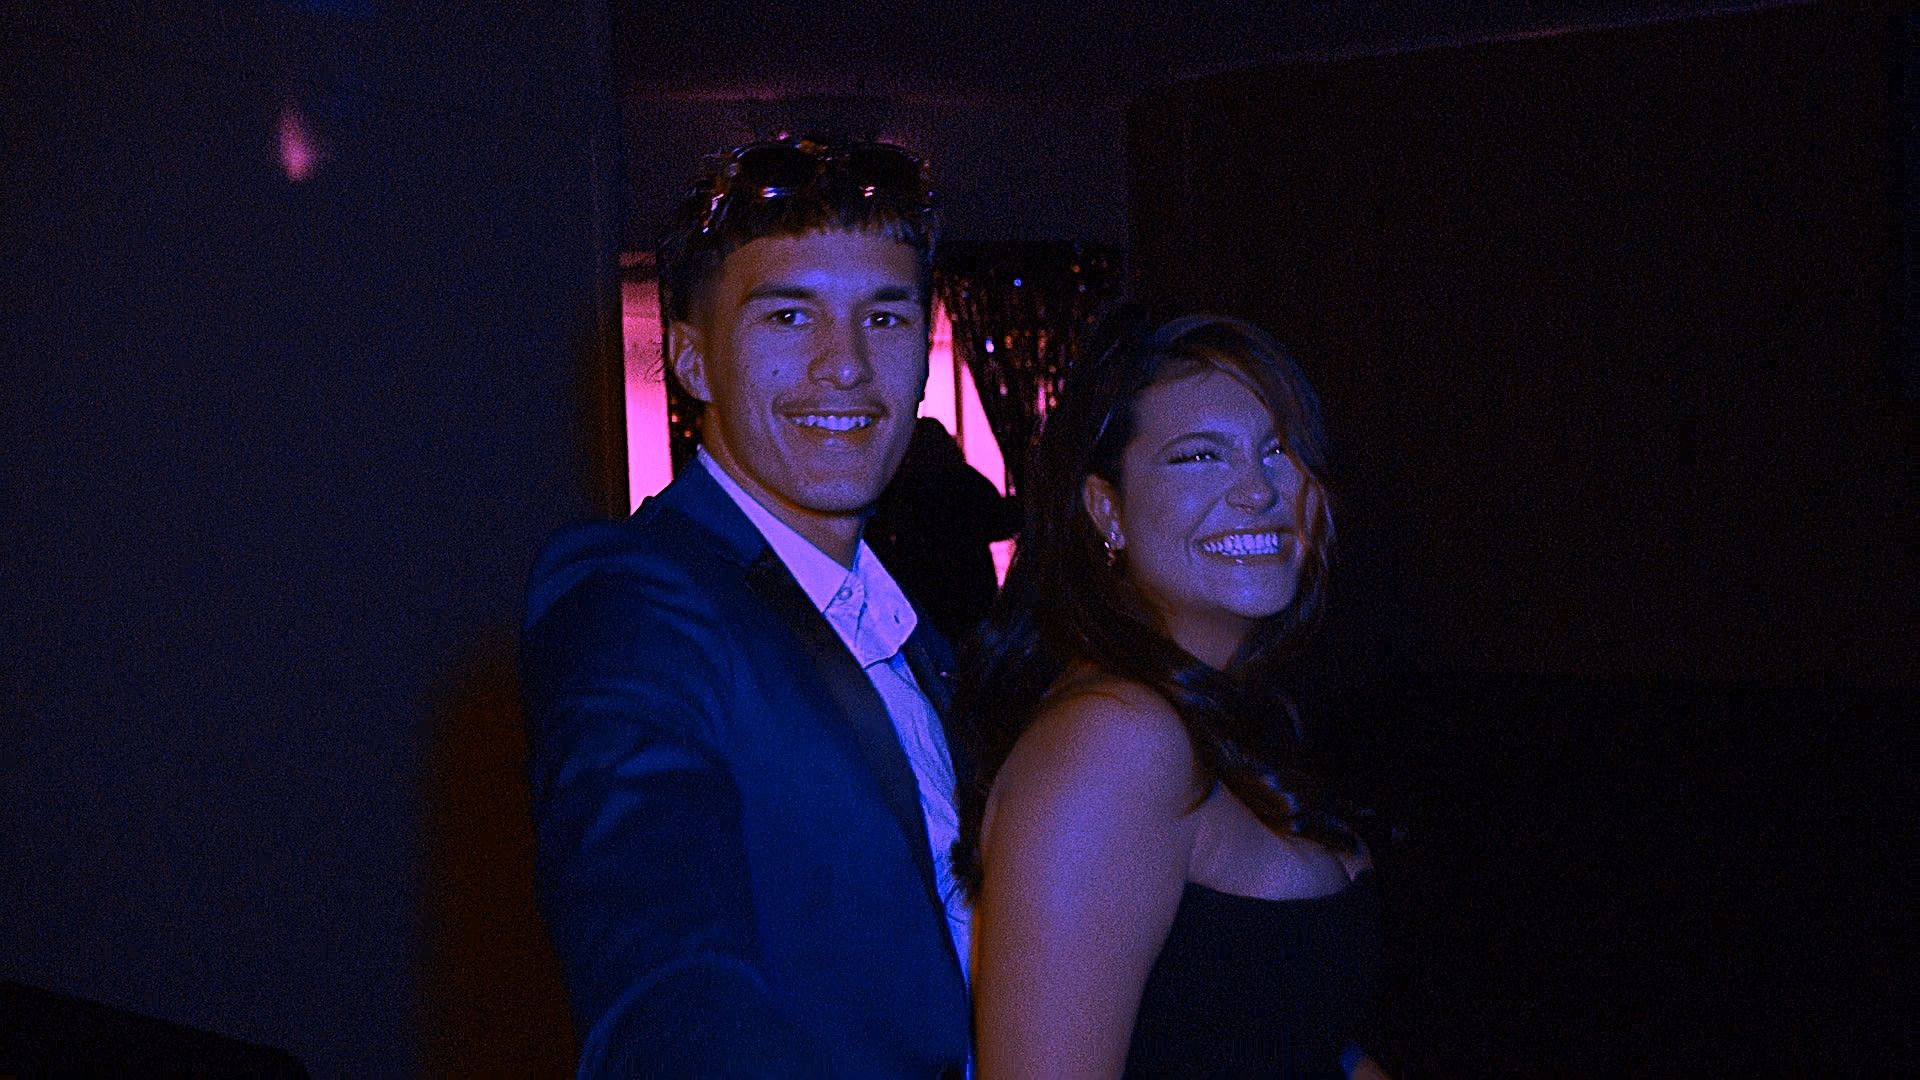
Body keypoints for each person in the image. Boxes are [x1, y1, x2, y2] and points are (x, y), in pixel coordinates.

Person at [520, 136, 970, 1076]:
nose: (846, 365)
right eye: (789, 316)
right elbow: (663, 980)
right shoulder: (636, 598)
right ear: (691, 360)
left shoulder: (914, 635)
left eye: (886, 317)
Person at [955, 310, 1388, 1078]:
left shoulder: (1218, 712)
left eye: (1279, 450)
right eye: (1199, 457)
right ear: (1106, 511)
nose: (1257, 490)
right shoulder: (1114, 741)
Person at [866, 416, 1022, 645]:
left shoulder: (900, 488)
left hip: (922, 588)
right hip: (970, 585)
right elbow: (999, 522)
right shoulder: (965, 480)